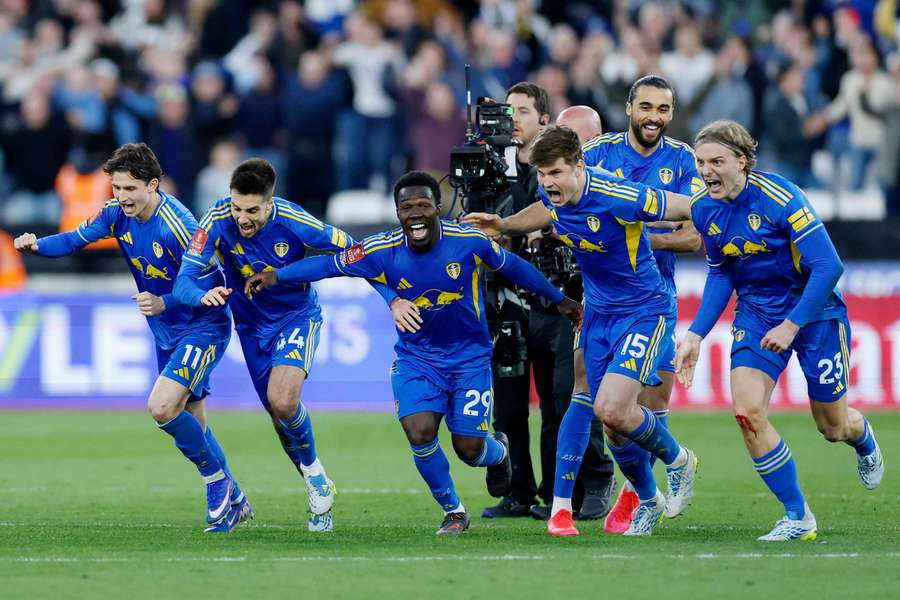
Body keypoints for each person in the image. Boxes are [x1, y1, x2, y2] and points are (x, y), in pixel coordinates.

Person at [244, 170, 583, 535]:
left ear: (438, 207)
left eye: (424, 205)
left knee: (469, 448)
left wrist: (560, 299)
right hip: (418, 359)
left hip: (469, 358)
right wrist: (277, 276)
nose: (416, 213)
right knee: (419, 431)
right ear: (397, 213)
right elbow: (330, 264)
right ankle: (453, 510)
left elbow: (513, 266)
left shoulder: (468, 241)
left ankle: (498, 453)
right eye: (407, 207)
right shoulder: (380, 250)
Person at [464, 126, 698, 537]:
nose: (548, 182)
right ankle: (646, 497)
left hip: (643, 311)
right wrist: (504, 223)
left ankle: (679, 461)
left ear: (579, 165)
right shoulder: (555, 196)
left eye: (555, 172)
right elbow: (543, 211)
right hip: (597, 314)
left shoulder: (619, 196)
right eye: (542, 174)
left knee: (610, 409)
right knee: (610, 422)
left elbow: (685, 206)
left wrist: (728, 205)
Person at [14, 143, 249, 533]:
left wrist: (165, 301)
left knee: (161, 407)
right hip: (166, 329)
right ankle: (235, 500)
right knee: (192, 420)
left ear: (152, 185)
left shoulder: (181, 226)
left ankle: (217, 482)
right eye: (116, 188)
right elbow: (74, 239)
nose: (120, 196)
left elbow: (205, 285)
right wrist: (38, 245)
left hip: (203, 326)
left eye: (128, 189)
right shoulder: (114, 215)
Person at [676, 120, 885, 541]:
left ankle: (861, 438)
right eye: (701, 162)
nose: (706, 171)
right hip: (755, 313)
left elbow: (829, 267)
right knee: (747, 413)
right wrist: (696, 334)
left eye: (717, 161)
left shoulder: (782, 197)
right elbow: (721, 272)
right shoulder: (703, 208)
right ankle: (797, 516)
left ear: (743, 161)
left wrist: (792, 325)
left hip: (815, 313)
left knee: (832, 427)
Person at [175, 158, 386, 532]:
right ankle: (312, 478)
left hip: (295, 318)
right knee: (279, 416)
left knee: (284, 399)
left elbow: (358, 254)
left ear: (270, 203)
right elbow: (184, 280)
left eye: (253, 210)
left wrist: (392, 297)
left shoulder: (297, 222)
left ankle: (316, 474)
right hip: (251, 328)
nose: (242, 218)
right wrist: (200, 297)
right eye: (237, 207)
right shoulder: (215, 220)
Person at [479, 83, 616, 520]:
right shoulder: (498, 168)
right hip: (512, 304)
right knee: (512, 406)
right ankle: (524, 492)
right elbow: (487, 225)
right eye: (508, 111)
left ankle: (589, 486)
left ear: (545, 120)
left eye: (522, 110)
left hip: (568, 300)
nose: (512, 119)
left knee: (567, 399)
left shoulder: (583, 179)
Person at [575, 75, 704, 534]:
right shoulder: (598, 154)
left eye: (663, 110)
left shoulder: (685, 159)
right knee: (613, 421)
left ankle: (640, 497)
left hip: (654, 297)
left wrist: (631, 234)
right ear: (629, 107)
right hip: (600, 301)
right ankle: (648, 494)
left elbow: (697, 231)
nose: (654, 117)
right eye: (646, 107)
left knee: (650, 403)